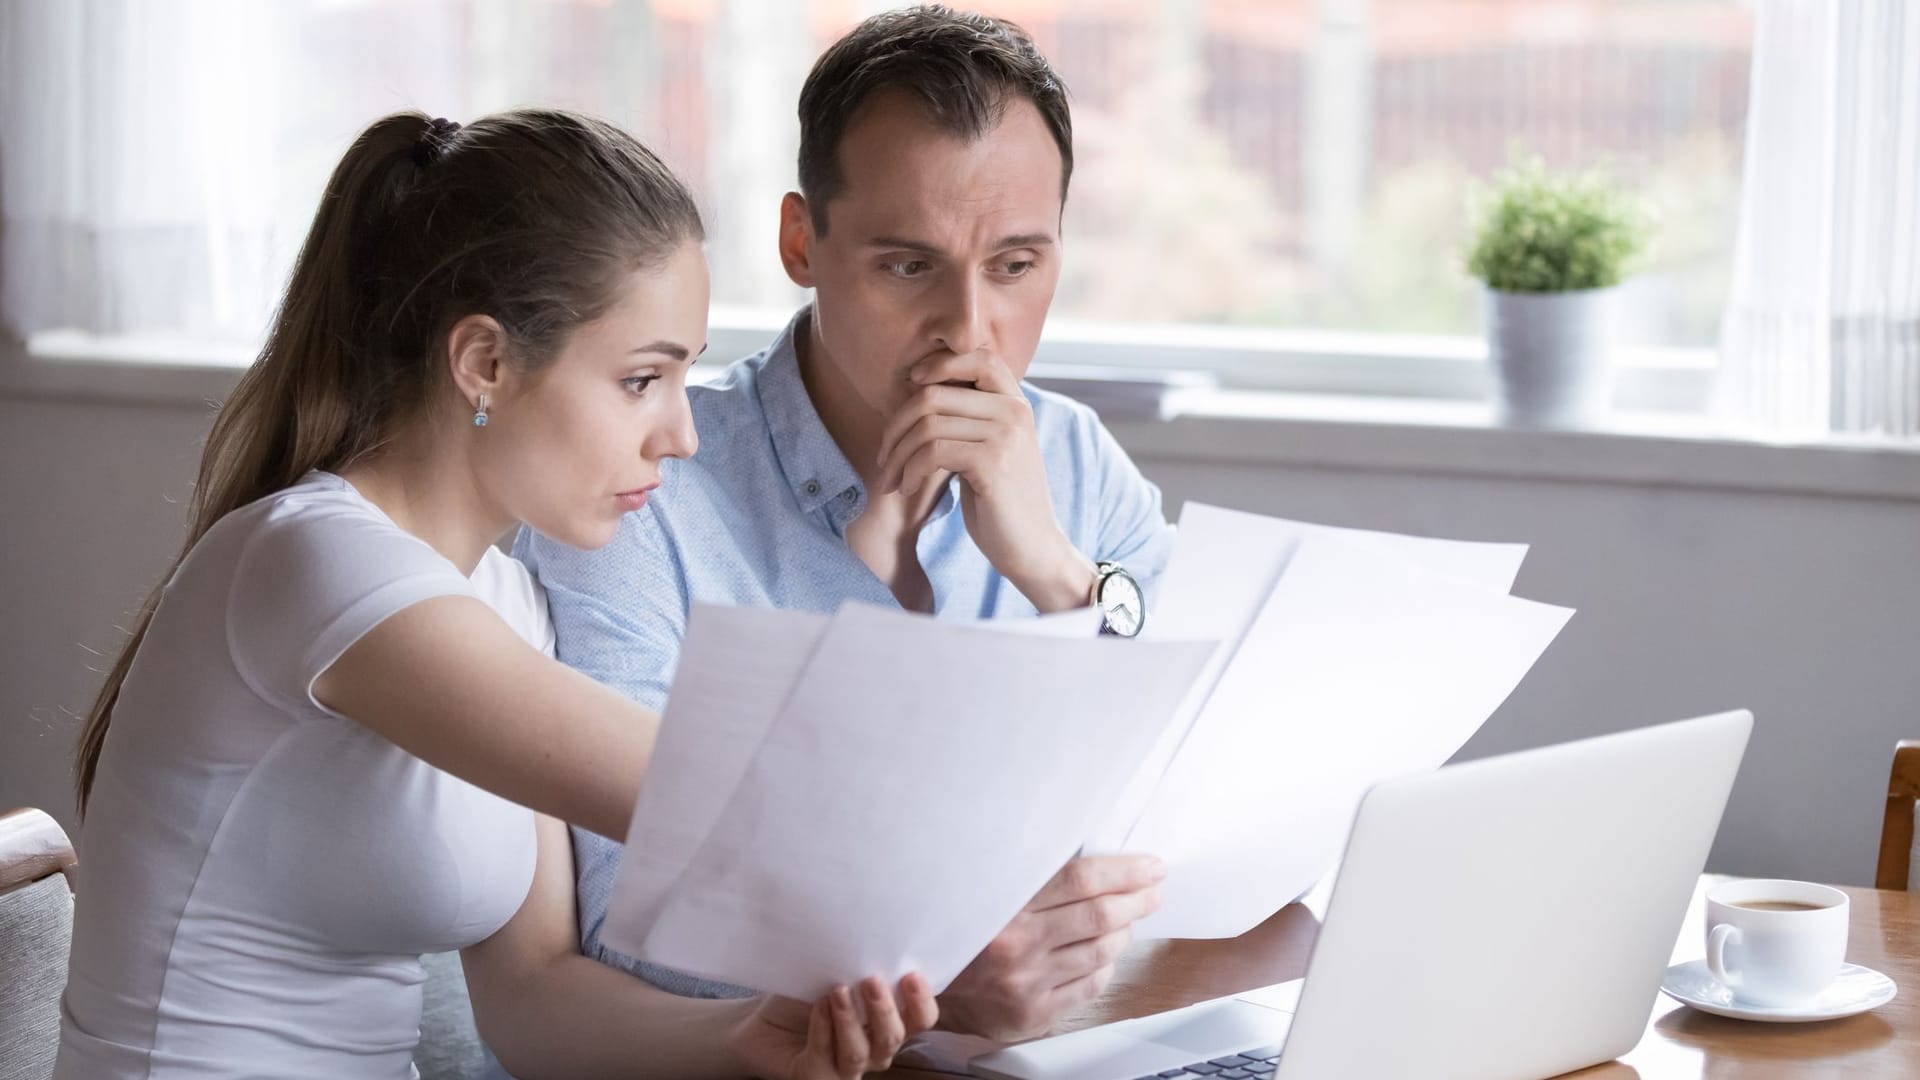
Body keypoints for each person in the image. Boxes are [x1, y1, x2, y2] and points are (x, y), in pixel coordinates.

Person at [56, 108, 932, 1079]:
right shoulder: (314, 565)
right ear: (484, 363)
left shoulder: (504, 603)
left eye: (686, 378)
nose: (679, 436)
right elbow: (723, 793)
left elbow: (530, 1006)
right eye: (641, 380)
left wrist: (745, 1037)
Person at [517, 5, 1174, 1043]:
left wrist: (1055, 572)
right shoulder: (645, 493)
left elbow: (1186, 810)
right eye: (908, 265)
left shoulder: (1078, 463)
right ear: (800, 242)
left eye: (1015, 265)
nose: (969, 328)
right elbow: (621, 929)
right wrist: (930, 972)